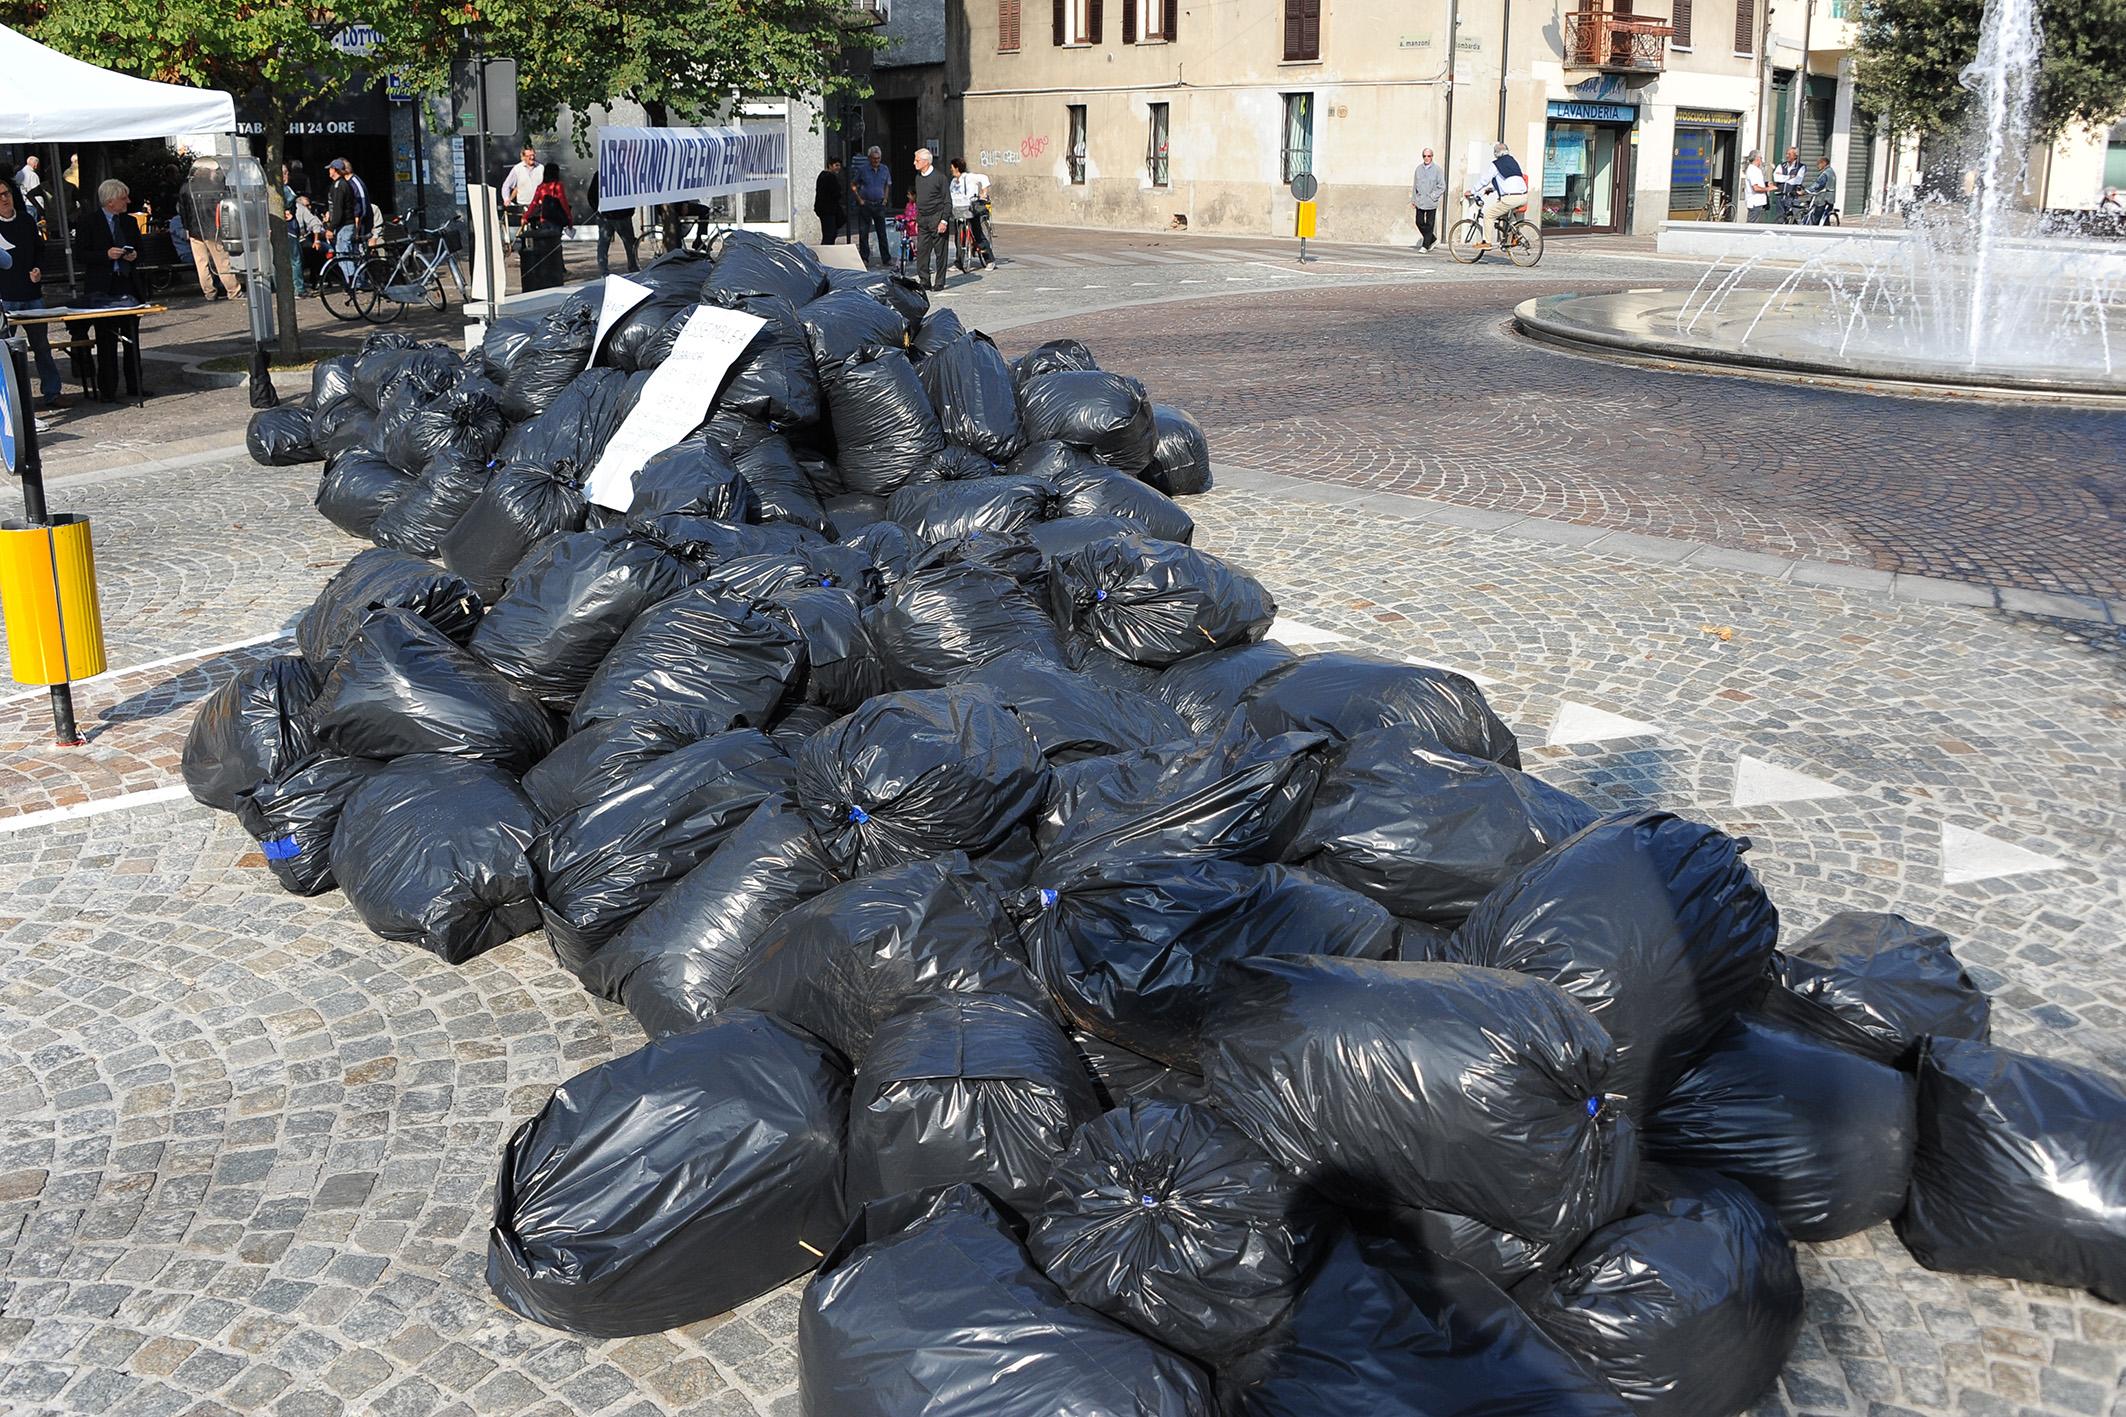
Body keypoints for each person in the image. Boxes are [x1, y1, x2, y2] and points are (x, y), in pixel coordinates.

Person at [70, 179, 144, 400]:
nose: (128, 202)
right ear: (111, 201)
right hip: (102, 289)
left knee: (132, 339)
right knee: (106, 340)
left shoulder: (129, 223)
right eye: (123, 198)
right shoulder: (89, 222)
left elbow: (140, 249)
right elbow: (81, 255)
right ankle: (108, 389)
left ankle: (135, 385)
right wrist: (105, 255)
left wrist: (133, 256)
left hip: (127, 284)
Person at [0, 181, 63, 410]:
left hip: (31, 293)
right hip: (5, 296)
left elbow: (39, 250)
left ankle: (52, 392)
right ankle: (15, 402)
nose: (4, 199)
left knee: (42, 346)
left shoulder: (26, 220)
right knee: (8, 352)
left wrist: (38, 268)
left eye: (6, 193)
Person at [179, 164, 240, 300]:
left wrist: (187, 228)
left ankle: (209, 292)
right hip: (213, 230)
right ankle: (233, 290)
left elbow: (183, 211)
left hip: (195, 230)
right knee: (222, 261)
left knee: (201, 263)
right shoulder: (214, 187)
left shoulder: (186, 188)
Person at [519, 162, 571, 291]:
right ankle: (558, 268)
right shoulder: (558, 186)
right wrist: (569, 218)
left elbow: (534, 204)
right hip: (556, 220)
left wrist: (525, 216)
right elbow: (563, 203)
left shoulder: (541, 187)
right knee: (556, 244)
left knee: (546, 245)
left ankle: (549, 268)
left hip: (544, 219)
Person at [1470, 141, 1530, 245]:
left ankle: (1486, 242)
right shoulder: (1513, 161)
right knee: (1508, 214)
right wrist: (1492, 189)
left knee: (1488, 215)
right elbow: (1509, 181)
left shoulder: (1496, 164)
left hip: (1510, 198)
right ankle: (1515, 236)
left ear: (1496, 153)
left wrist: (1473, 191)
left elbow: (1485, 180)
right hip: (1523, 196)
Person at [324, 157, 371, 288]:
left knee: (344, 256)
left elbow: (339, 209)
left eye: (331, 169)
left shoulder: (340, 186)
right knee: (346, 255)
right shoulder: (343, 184)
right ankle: (354, 282)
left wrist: (331, 227)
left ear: (335, 170)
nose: (329, 171)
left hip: (344, 226)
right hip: (346, 225)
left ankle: (353, 283)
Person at [911, 148, 952, 291]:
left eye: (917, 160)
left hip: (937, 218)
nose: (914, 163)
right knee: (922, 252)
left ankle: (939, 282)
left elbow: (947, 201)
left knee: (940, 253)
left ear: (926, 162)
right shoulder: (918, 177)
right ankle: (924, 281)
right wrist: (917, 219)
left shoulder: (940, 178)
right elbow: (919, 199)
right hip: (923, 220)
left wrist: (944, 221)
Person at [586, 171, 638, 276]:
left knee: (603, 244)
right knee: (629, 243)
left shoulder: (600, 173)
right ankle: (633, 268)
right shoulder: (623, 173)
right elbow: (632, 192)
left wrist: (597, 210)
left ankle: (603, 270)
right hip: (621, 215)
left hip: (607, 215)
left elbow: (591, 195)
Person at [849, 145, 891, 266]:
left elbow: (887, 185)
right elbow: (853, 184)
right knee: (863, 232)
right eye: (874, 158)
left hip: (879, 204)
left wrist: (885, 200)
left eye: (878, 158)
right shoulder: (863, 170)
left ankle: (886, 258)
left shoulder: (884, 169)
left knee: (882, 232)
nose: (876, 161)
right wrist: (859, 199)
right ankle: (865, 258)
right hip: (866, 204)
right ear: (869, 158)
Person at [948, 157, 995, 266]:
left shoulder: (969, 177)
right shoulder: (953, 182)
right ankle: (959, 261)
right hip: (958, 210)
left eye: (952, 167)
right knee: (959, 237)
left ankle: (989, 260)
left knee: (977, 233)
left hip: (970, 208)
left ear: (957, 167)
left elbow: (984, 178)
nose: (951, 169)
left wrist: (984, 192)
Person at [1411, 147, 1446, 250]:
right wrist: (1413, 200)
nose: (1426, 158)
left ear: (1432, 157)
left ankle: (1425, 246)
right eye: (1424, 156)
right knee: (1419, 222)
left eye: (1428, 156)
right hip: (1420, 201)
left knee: (1430, 224)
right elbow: (1415, 185)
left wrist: (1433, 196)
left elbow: (1442, 186)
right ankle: (1432, 239)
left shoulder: (1437, 170)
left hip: (1431, 202)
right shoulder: (1418, 169)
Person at [498, 145, 542, 220]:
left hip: (538, 206)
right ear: (523, 157)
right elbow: (506, 185)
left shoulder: (541, 168)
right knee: (524, 228)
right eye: (529, 156)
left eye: (533, 155)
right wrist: (506, 199)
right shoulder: (517, 169)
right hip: (523, 205)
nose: (532, 158)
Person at [814, 157, 847, 244]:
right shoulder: (829, 177)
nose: (838, 168)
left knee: (829, 233)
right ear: (830, 166)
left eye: (839, 165)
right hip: (828, 210)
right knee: (830, 234)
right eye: (836, 165)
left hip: (825, 209)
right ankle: (826, 253)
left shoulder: (823, 176)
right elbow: (835, 193)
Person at [1772, 147, 1806, 222]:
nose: (1787, 156)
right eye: (1786, 154)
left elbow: (1797, 181)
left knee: (1793, 218)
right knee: (1780, 219)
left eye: (1789, 154)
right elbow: (1776, 178)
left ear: (1795, 156)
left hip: (1792, 197)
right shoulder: (1781, 166)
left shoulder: (1801, 167)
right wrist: (1789, 177)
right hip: (1780, 196)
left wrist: (1783, 177)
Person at [1804, 155, 1838, 225]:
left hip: (1823, 199)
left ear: (1824, 163)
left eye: (1818, 164)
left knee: (1816, 218)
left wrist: (1805, 191)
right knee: (1825, 218)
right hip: (1830, 199)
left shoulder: (1825, 174)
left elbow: (1818, 185)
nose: (1817, 166)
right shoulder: (1831, 172)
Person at [1742, 150, 1770, 223]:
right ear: (1757, 158)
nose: (1761, 160)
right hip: (1755, 203)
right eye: (1761, 158)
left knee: (1757, 226)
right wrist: (1768, 189)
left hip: (1759, 202)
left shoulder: (1756, 170)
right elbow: (1756, 188)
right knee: (1752, 226)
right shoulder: (1753, 170)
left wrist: (1767, 184)